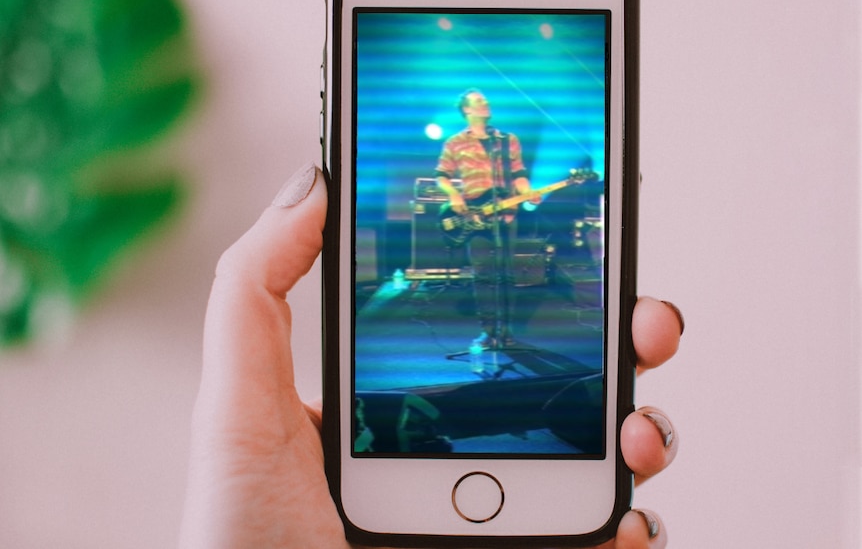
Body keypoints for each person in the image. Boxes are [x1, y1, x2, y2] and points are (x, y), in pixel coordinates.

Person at [179, 161, 684, 549]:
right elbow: (444, 182)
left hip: (506, 226)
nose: (482, 109)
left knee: (515, 290)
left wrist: (535, 195)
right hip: (475, 226)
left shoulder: (505, 146)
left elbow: (520, 188)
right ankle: (485, 342)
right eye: (476, 104)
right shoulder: (459, 145)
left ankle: (498, 340)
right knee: (488, 285)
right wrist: (463, 205)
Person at [435, 89, 541, 348]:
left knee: (506, 274)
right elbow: (442, 176)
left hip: (505, 215)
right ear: (467, 110)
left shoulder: (507, 140)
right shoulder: (455, 142)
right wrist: (454, 196)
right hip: (474, 216)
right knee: (483, 275)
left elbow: (519, 173)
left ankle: (507, 332)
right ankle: (488, 331)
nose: (486, 103)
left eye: (486, 100)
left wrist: (527, 192)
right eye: (479, 101)